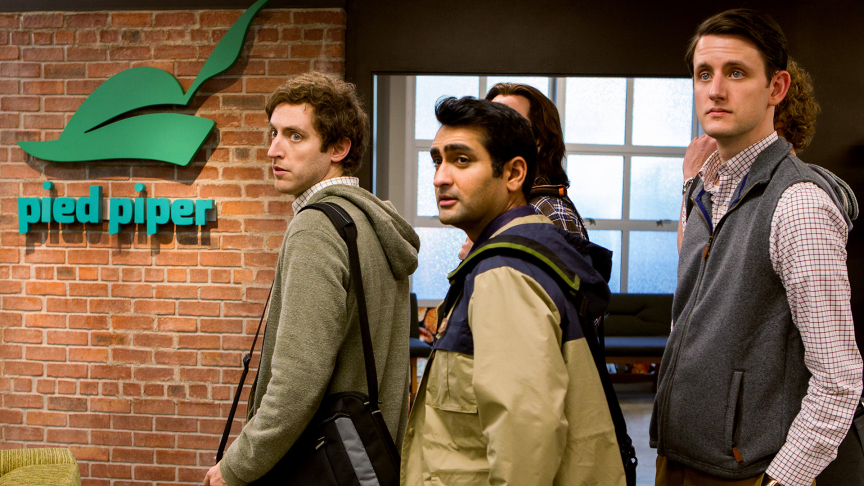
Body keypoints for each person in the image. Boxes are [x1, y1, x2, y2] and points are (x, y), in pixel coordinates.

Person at [652, 9, 862, 486]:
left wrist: (780, 482)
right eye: (704, 74)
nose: (715, 90)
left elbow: (839, 378)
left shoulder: (798, 204)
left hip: (749, 472)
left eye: (736, 73)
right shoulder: (702, 189)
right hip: (678, 456)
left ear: (777, 88)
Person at [204, 72, 420, 486]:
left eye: (295, 136)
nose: (273, 150)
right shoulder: (368, 223)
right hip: (369, 461)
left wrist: (236, 467)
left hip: (323, 463)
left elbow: (297, 379)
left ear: (339, 148)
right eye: (274, 133)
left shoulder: (317, 228)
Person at [401, 96, 626, 485]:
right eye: (437, 161)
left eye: (461, 160)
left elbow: (526, 437)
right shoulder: (518, 252)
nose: (440, 177)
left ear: (514, 174)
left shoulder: (504, 273)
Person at [677, 58, 820, 250]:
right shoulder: (737, 182)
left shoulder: (797, 197)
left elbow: (688, 249)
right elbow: (695, 260)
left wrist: (691, 178)